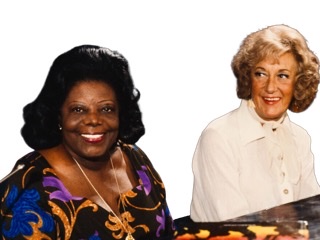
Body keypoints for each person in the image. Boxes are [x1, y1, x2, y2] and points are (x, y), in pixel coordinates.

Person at [0, 45, 175, 239]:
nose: (93, 120)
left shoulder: (135, 158)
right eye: (78, 109)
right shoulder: (31, 185)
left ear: (121, 112)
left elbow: (168, 232)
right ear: (59, 115)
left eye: (106, 109)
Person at [190, 24, 320, 222]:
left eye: (282, 76)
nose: (270, 87)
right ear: (248, 77)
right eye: (261, 73)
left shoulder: (300, 138)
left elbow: (313, 214)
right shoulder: (218, 136)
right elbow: (234, 227)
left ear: (298, 82)